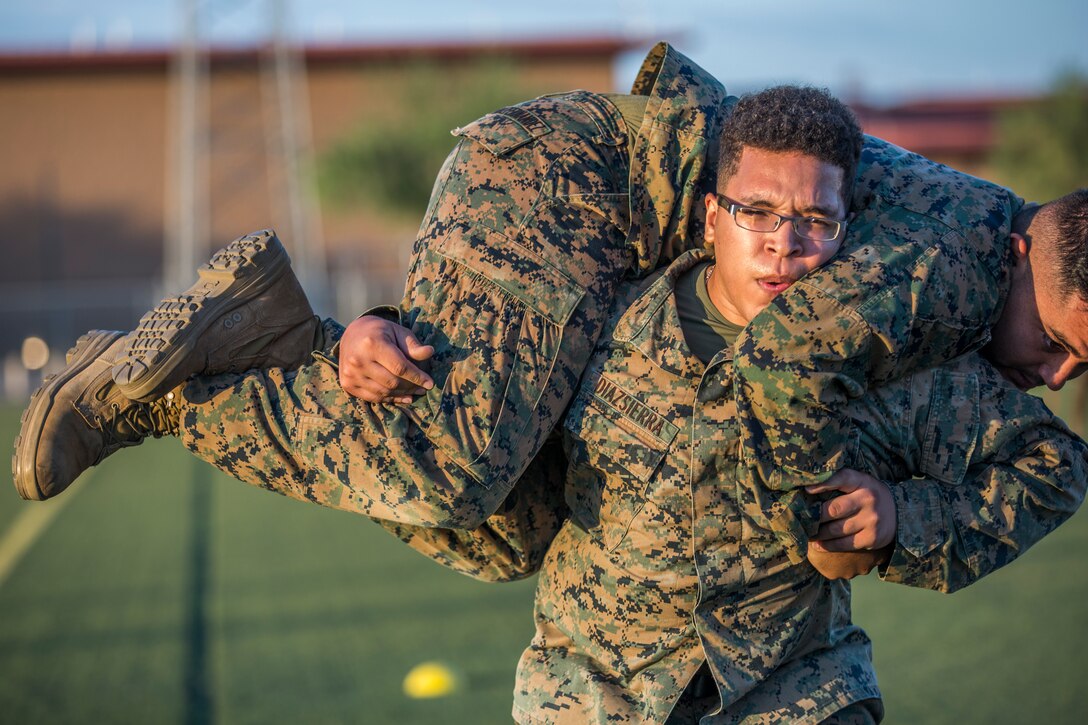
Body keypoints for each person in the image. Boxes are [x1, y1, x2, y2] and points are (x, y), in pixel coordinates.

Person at [12, 80, 1088, 721]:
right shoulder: (936, 269)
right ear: (1021, 256)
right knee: (449, 467)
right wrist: (829, 516)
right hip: (554, 183)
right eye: (1055, 342)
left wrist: (901, 519)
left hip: (773, 673)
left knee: (478, 509)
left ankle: (284, 336)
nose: (1053, 373)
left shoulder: (947, 276)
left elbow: (1040, 461)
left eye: (1072, 369)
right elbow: (785, 368)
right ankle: (154, 398)